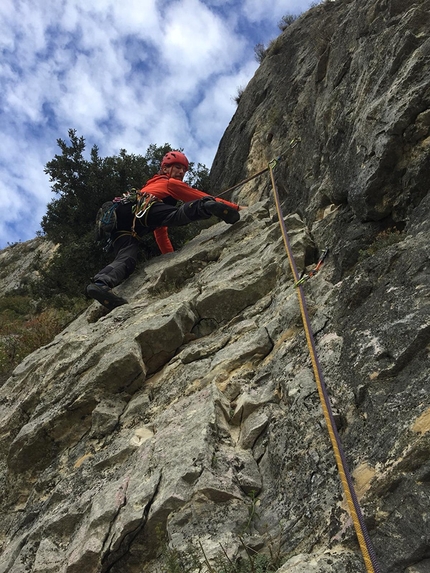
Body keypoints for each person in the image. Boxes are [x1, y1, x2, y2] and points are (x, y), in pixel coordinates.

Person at [86, 150, 242, 310]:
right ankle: (205, 207)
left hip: (122, 220)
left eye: (184, 170)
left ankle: (101, 284)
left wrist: (170, 256)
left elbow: (160, 232)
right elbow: (196, 195)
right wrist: (236, 207)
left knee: (126, 259)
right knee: (178, 214)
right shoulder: (169, 183)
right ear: (165, 168)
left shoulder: (150, 186)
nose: (181, 172)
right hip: (142, 207)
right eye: (177, 167)